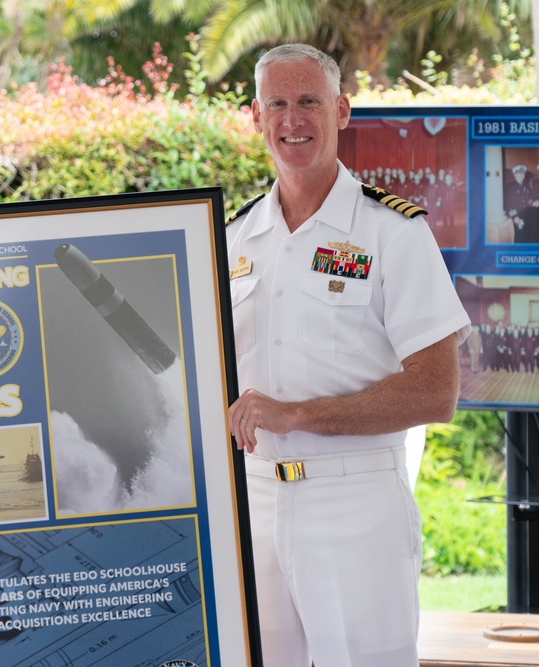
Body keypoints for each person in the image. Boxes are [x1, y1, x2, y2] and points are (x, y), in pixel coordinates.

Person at [225, 44, 469, 667]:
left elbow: (436, 394)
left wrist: (298, 415)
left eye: (308, 101)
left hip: (355, 503)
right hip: (250, 506)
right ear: (255, 115)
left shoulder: (393, 233)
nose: (292, 118)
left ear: (341, 110)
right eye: (276, 103)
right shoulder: (232, 240)